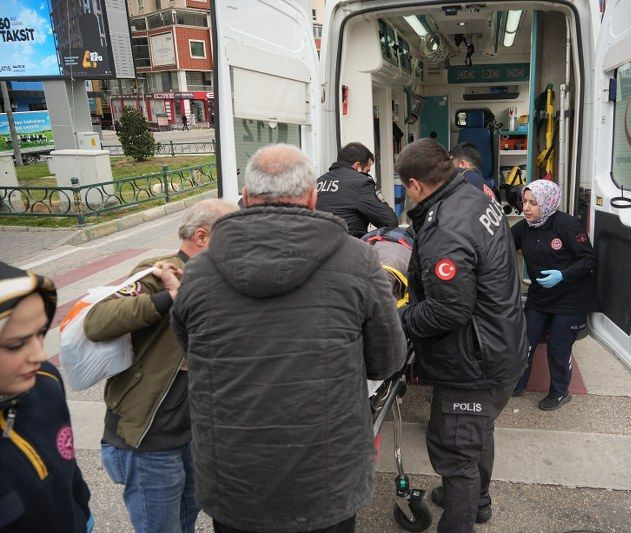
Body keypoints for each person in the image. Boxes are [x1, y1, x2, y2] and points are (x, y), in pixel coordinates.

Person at [171, 144, 406, 533]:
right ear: (313, 199)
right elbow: (387, 358)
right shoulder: (358, 260)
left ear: (245, 199)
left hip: (235, 478)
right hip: (326, 477)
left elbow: (192, 353)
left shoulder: (199, 271)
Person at [395, 139, 526, 532]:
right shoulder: (475, 197)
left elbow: (447, 309)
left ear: (415, 185)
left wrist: (397, 320)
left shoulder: (445, 227)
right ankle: (476, 500)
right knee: (477, 435)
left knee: (457, 454)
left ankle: (462, 512)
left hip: (472, 363)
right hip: (500, 344)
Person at [84, 199, 236, 532]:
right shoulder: (159, 270)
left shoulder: (220, 280)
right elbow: (97, 321)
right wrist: (168, 297)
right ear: (202, 236)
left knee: (185, 522)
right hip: (150, 441)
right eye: (233, 234)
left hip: (194, 437)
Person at [0, 261, 92, 532]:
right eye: (16, 344)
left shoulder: (45, 379)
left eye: (40, 333)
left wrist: (84, 514)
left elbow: (67, 463)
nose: (40, 356)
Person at [510, 181, 598, 408]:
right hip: (541, 296)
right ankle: (517, 384)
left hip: (571, 297)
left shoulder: (567, 226)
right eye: (524, 201)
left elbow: (589, 260)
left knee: (558, 346)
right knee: (524, 341)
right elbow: (499, 246)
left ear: (547, 203)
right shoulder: (523, 228)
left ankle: (560, 392)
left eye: (533, 203)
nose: (526, 207)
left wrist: (563, 274)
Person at [315, 142, 399, 237]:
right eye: (367, 171)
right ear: (357, 166)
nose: (368, 175)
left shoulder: (318, 182)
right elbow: (389, 221)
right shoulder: (361, 183)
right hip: (347, 246)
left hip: (314, 246)